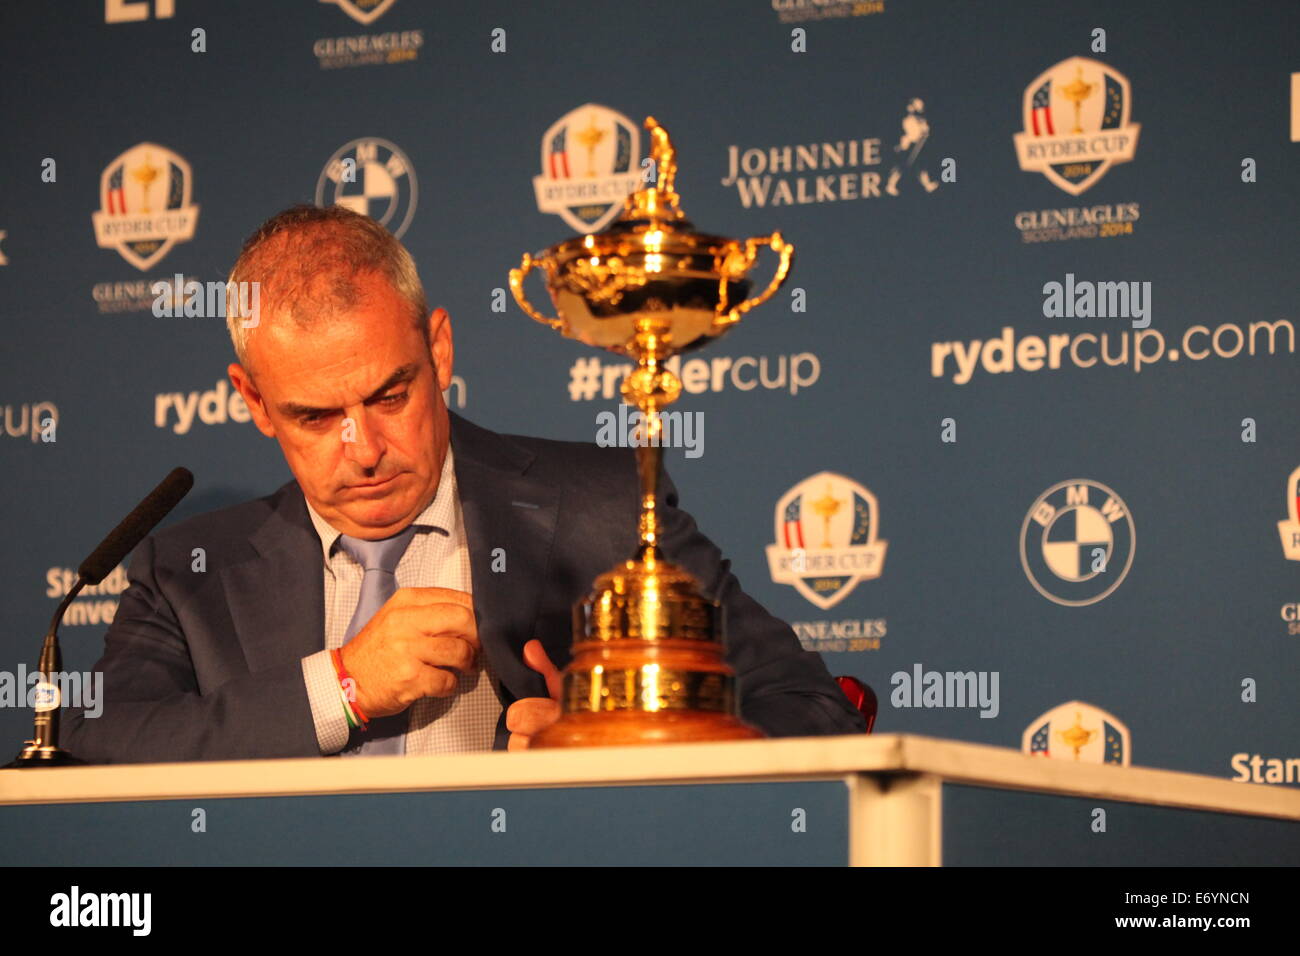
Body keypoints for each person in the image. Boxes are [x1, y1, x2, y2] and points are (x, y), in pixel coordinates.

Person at [61, 204, 865, 763]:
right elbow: (95, 747)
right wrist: (341, 686)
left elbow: (811, 711)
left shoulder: (603, 510)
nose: (365, 449)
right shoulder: (187, 571)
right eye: (314, 416)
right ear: (254, 400)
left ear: (439, 350)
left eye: (389, 395)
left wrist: (621, 743)